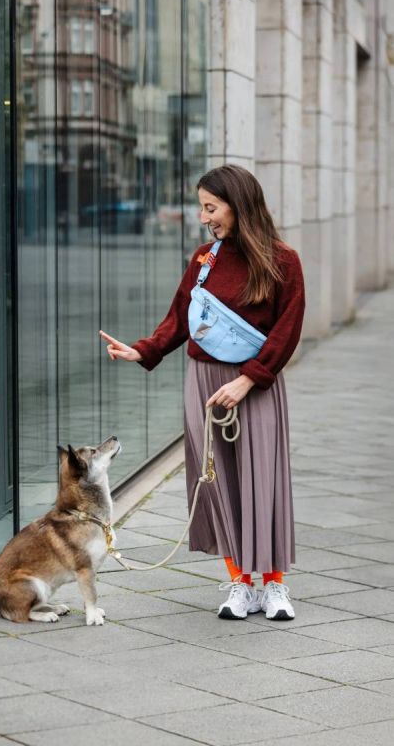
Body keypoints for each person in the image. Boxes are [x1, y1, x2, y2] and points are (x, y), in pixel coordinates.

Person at [99, 164, 305, 621]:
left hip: (256, 384)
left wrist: (249, 379)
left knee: (263, 479)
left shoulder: (283, 261)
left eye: (211, 208)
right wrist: (143, 350)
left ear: (239, 205)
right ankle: (240, 582)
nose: (204, 217)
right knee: (217, 482)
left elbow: (287, 330)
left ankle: (274, 585)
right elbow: (180, 317)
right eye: (202, 208)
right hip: (205, 383)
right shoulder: (204, 260)